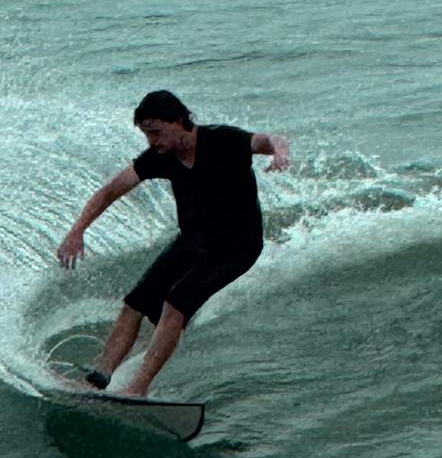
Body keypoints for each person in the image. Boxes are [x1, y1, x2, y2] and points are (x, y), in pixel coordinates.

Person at [56, 90, 289, 396]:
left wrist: (280, 153)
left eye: (156, 132)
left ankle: (137, 389)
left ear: (178, 121)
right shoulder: (161, 157)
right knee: (134, 304)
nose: (152, 141)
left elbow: (269, 140)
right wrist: (77, 230)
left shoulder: (223, 140)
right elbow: (110, 191)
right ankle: (98, 378)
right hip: (194, 241)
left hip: (238, 245)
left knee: (176, 303)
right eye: (146, 134)